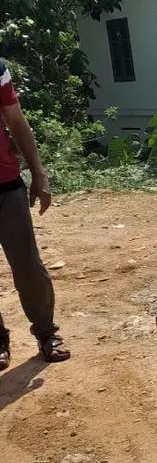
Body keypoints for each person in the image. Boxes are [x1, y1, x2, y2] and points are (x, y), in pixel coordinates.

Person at [0, 58, 70, 370]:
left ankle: (46, 332)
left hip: (6, 184)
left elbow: (16, 121)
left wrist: (38, 174)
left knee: (28, 266)